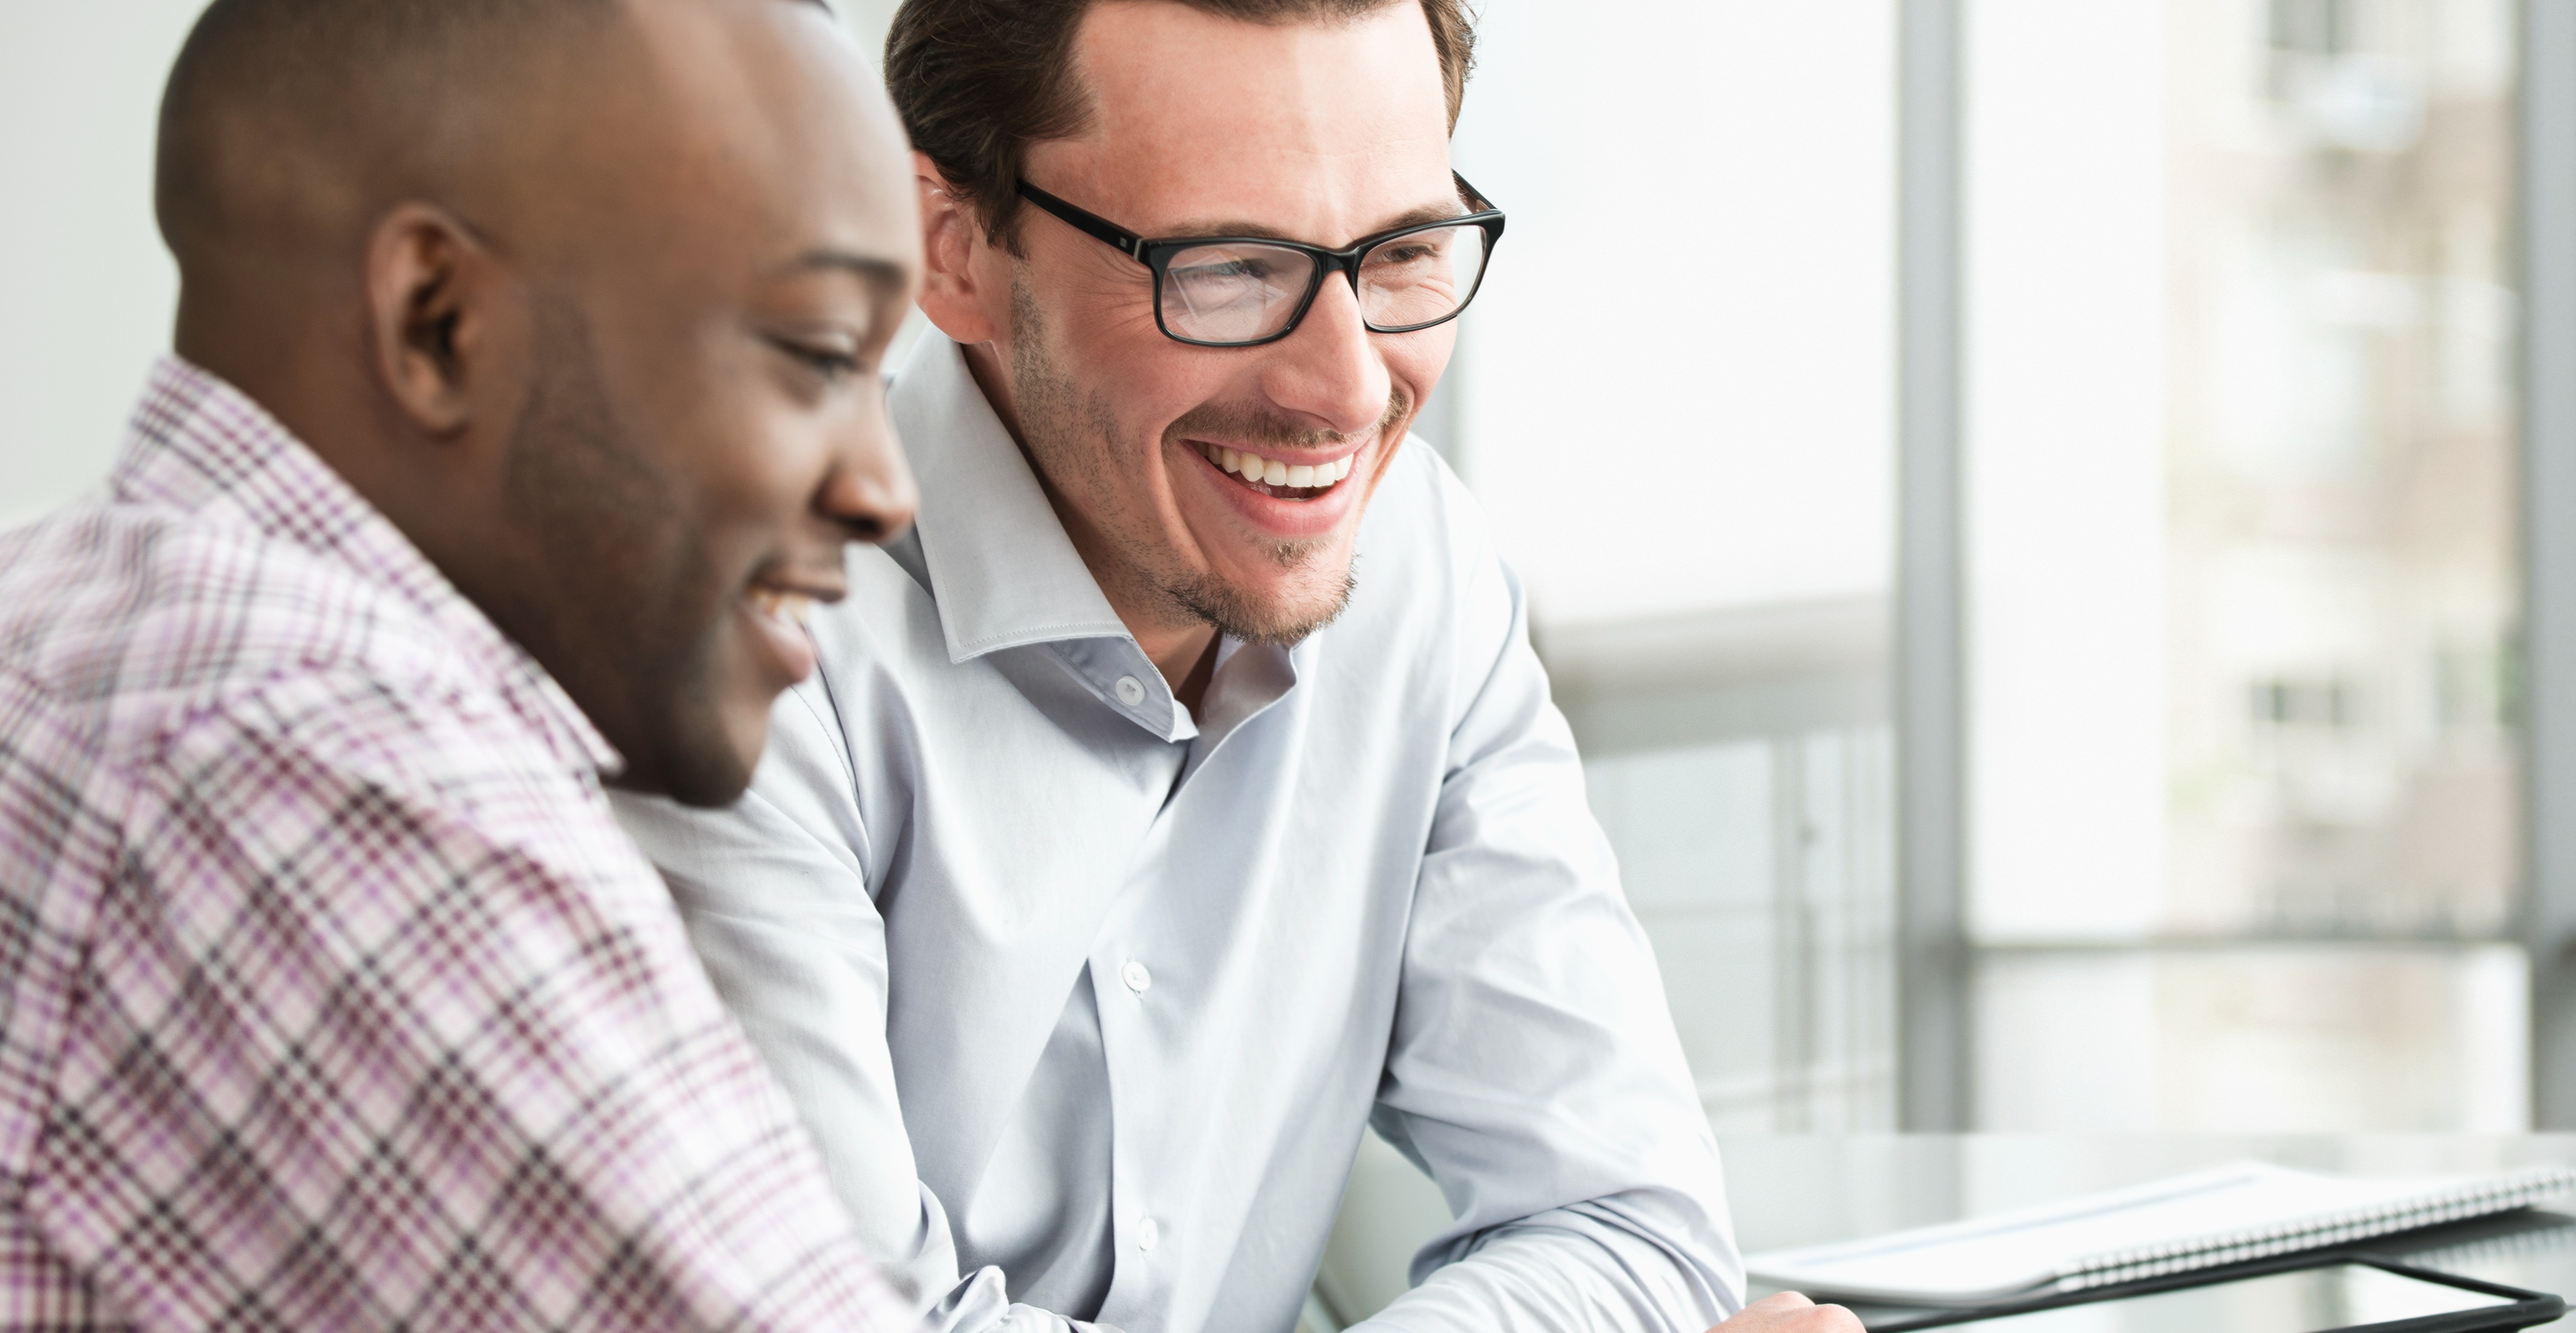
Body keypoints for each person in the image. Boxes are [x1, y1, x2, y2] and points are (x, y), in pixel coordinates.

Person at [608, 2, 1863, 1332]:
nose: (1346, 390)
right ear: (952, 250)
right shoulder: (731, 648)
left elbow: (1627, 1225)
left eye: (1404, 252)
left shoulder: (1418, 567)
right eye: (1226, 268)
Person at [0, 0, 933, 1325]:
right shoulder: (340, 773)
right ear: (440, 320)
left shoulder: (65, 611)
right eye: (820, 355)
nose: (883, 488)